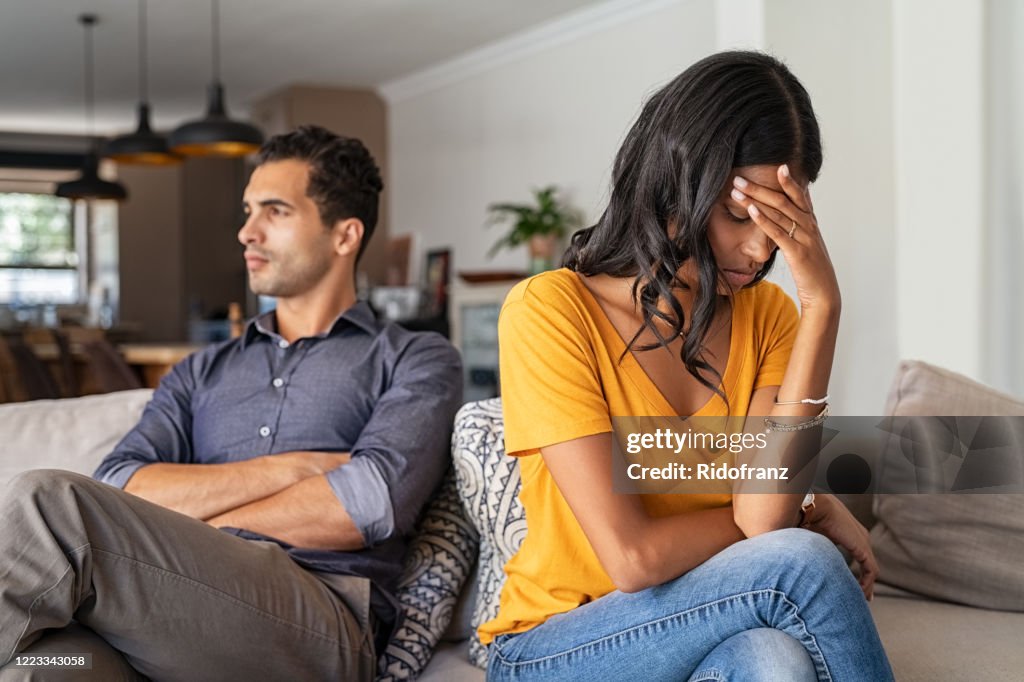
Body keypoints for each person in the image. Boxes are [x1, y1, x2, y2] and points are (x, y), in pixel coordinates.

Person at [481, 52, 894, 681]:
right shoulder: (549, 312)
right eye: (738, 216)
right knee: (803, 563)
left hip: (696, 626)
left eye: (781, 224)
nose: (760, 250)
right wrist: (800, 511)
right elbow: (634, 559)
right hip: (555, 647)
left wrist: (823, 306)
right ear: (674, 184)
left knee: (775, 658)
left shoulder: (771, 315)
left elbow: (760, 518)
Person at [0, 126, 462, 681]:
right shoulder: (202, 370)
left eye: (275, 211)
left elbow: (365, 502)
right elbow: (121, 482)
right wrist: (290, 469)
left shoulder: (416, 357)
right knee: (44, 667)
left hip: (320, 618)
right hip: (171, 611)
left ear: (344, 236)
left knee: (50, 501)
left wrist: (187, 528)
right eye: (248, 211)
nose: (247, 232)